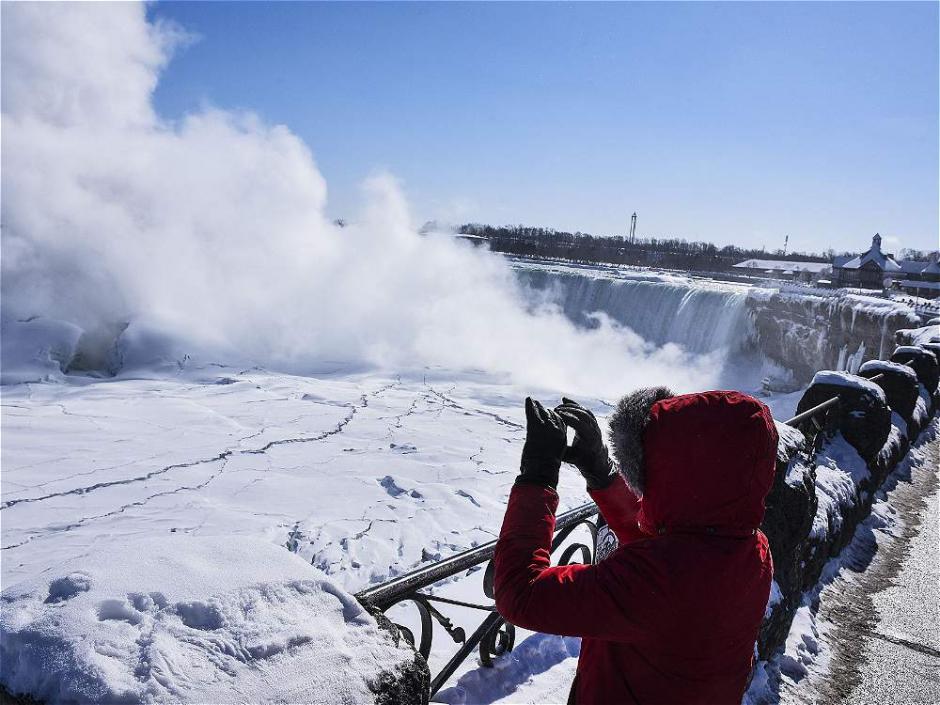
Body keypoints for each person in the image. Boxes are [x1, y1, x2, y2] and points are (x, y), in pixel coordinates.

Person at [493, 389, 778, 704]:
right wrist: (602, 473)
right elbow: (665, 550)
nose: (646, 473)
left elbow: (522, 594)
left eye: (651, 462)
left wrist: (537, 477)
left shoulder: (656, 579)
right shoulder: (751, 549)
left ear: (680, 473)